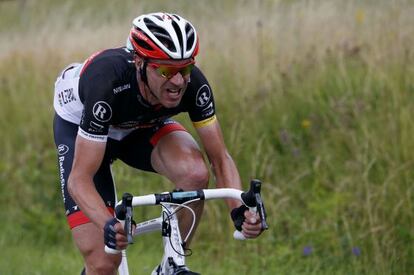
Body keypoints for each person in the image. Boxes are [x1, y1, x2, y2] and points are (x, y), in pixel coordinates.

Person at [53, 12, 263, 275]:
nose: (178, 81)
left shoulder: (194, 85)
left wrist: (240, 212)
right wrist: (109, 225)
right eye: (166, 70)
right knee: (104, 263)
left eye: (185, 68)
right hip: (81, 127)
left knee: (195, 173)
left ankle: (171, 265)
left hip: (139, 126)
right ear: (140, 62)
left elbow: (220, 158)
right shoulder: (106, 82)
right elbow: (79, 180)